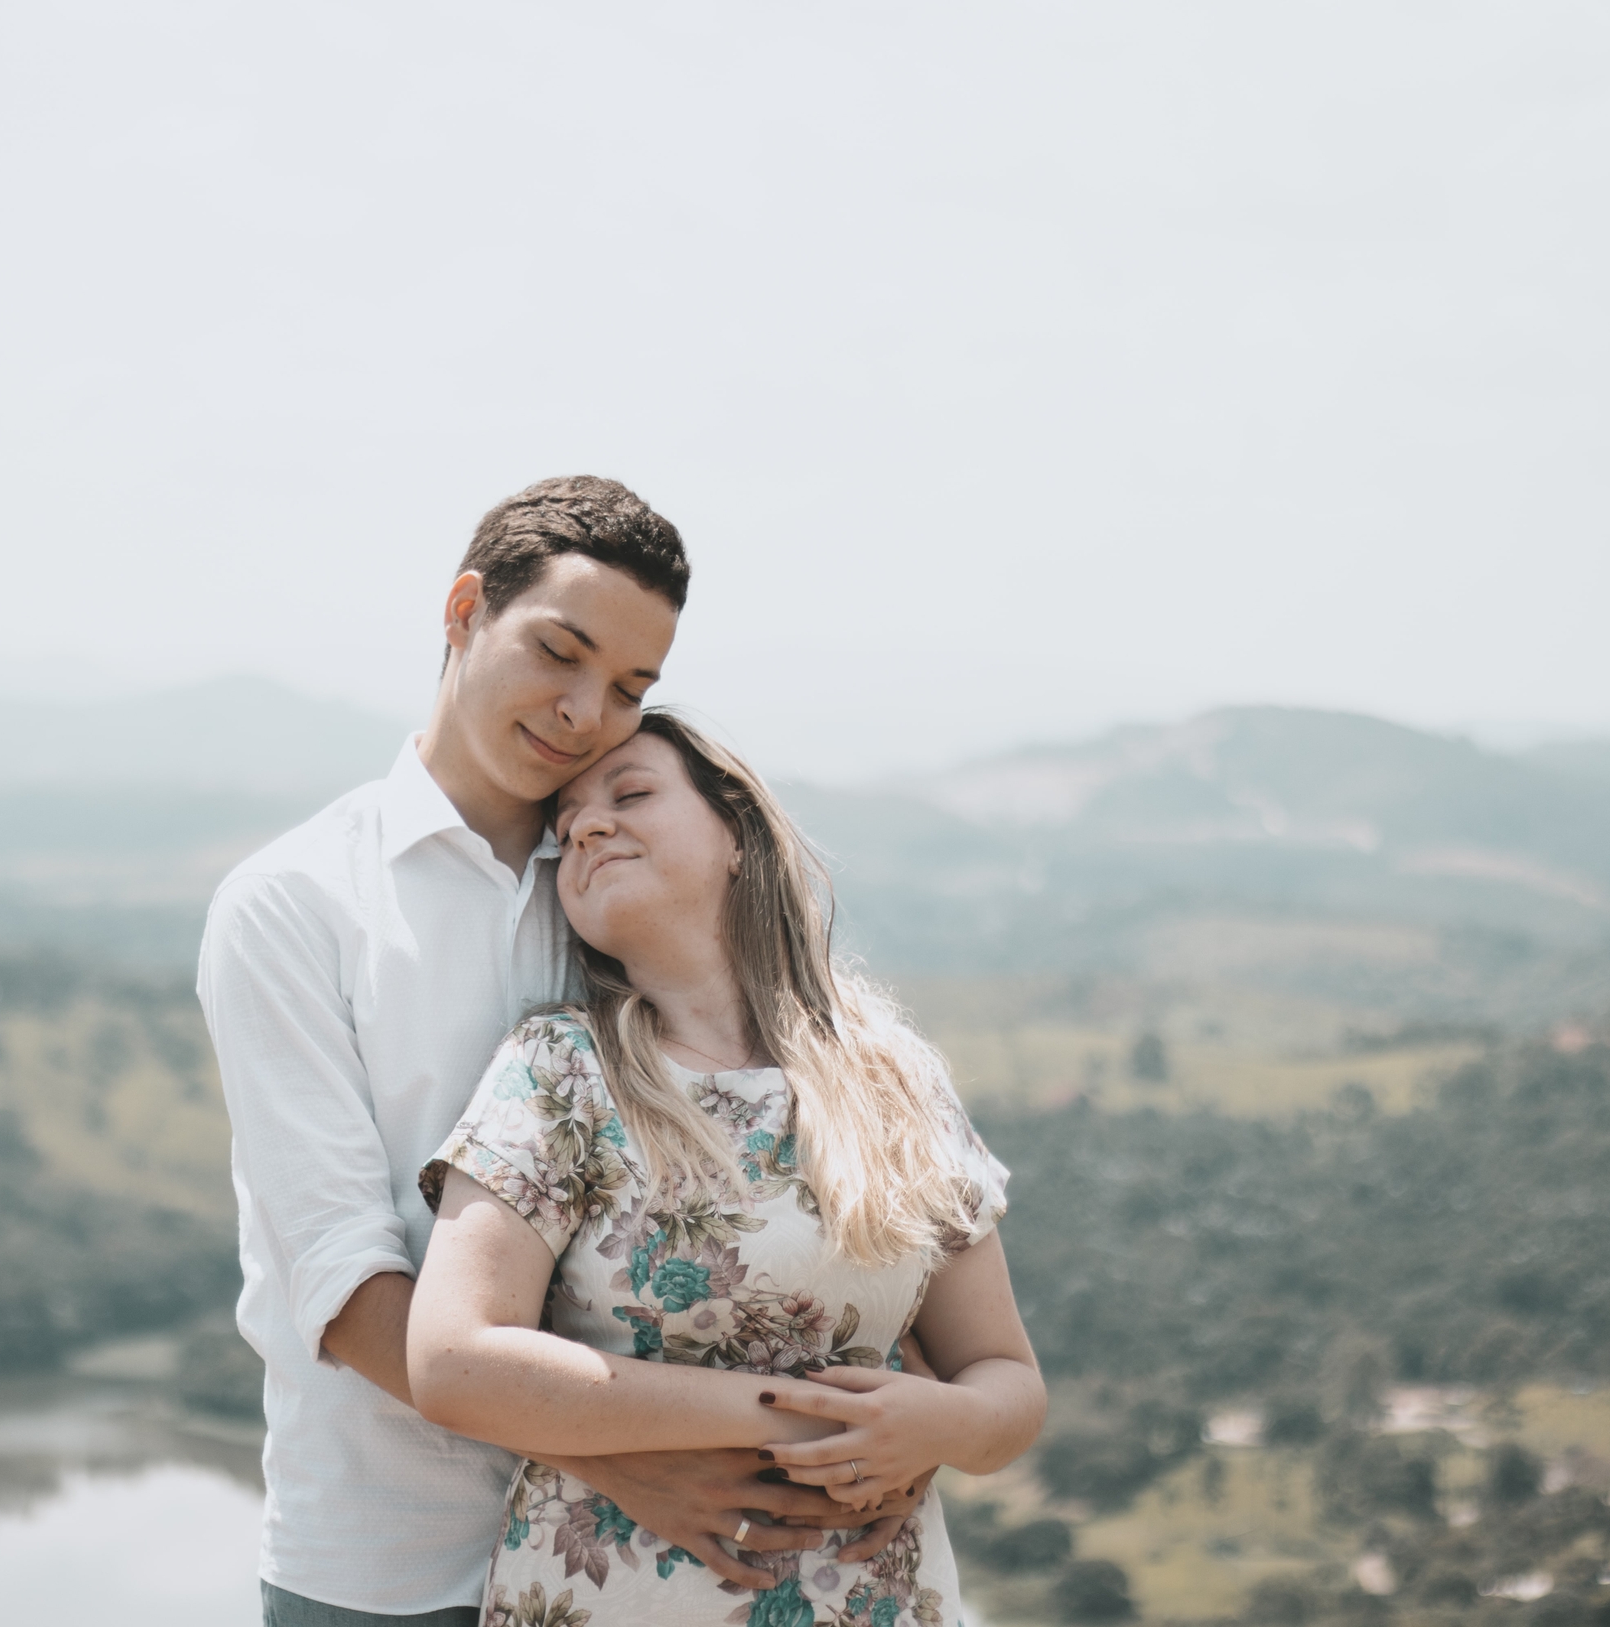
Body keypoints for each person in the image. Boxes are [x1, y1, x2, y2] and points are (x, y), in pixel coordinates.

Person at [199, 478, 927, 1627]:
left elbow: (779, 1160)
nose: (587, 711)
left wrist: (898, 1420)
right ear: (461, 611)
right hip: (393, 1559)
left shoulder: (618, 878)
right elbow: (337, 1279)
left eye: (631, 687)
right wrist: (610, 1460)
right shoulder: (293, 904)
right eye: (560, 652)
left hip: (657, 1567)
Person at [406, 711, 1046, 1627]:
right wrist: (788, 1416)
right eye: (566, 828)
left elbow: (1005, 1378)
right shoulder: (558, 1072)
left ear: (739, 835)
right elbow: (453, 1362)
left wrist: (938, 1426)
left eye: (630, 794)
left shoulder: (890, 1077)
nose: (586, 825)